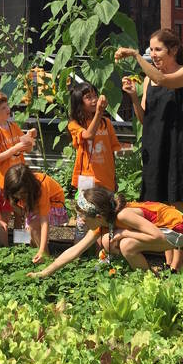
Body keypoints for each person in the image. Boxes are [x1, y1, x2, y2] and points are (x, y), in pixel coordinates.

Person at [115, 29, 183, 271]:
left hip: (179, 147)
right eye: (150, 50)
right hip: (155, 147)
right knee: (157, 209)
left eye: (157, 50)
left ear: (173, 50)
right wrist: (134, 98)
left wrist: (135, 55)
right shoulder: (147, 80)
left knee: (177, 205)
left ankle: (176, 265)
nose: (153, 55)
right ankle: (167, 265)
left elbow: (164, 80)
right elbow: (146, 119)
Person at [28, 187, 183, 276]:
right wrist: (44, 272)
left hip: (179, 232)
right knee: (106, 241)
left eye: (83, 217)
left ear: (98, 216)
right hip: (164, 232)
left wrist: (124, 234)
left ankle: (147, 278)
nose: (80, 221)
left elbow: (158, 236)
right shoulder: (103, 221)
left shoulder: (124, 215)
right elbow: (75, 250)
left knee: (126, 244)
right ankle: (148, 274)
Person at [68, 82, 121, 243]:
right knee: (83, 221)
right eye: (88, 97)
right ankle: (78, 257)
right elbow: (88, 135)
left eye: (95, 96)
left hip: (106, 181)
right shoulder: (74, 125)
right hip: (88, 182)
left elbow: (111, 151)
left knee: (104, 221)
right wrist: (99, 112)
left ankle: (102, 257)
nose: (94, 100)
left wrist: (114, 178)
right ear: (79, 103)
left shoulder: (107, 123)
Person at [0, 91, 37, 233]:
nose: (8, 110)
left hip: (20, 178)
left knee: (21, 213)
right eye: (3, 108)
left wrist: (30, 138)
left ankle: (19, 245)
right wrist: (15, 148)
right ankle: (3, 248)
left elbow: (27, 149)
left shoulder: (13, 126)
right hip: (4, 182)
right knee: (5, 216)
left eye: (7, 106)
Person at [3, 164, 67, 264]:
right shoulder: (18, 188)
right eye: (16, 194)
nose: (18, 196)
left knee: (33, 226)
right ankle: (35, 254)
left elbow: (44, 222)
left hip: (54, 204)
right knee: (29, 229)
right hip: (35, 205)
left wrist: (42, 250)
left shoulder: (42, 187)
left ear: (28, 187)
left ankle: (45, 258)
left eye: (21, 194)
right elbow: (22, 212)